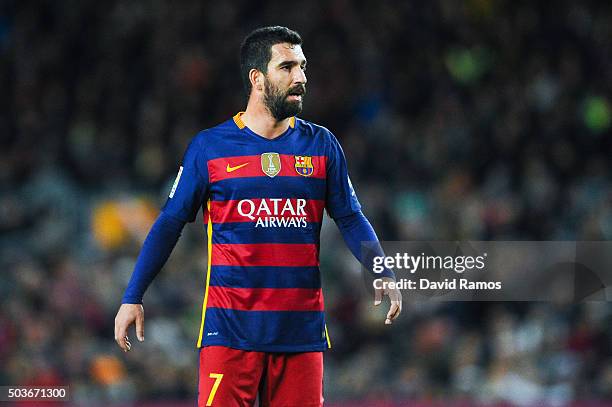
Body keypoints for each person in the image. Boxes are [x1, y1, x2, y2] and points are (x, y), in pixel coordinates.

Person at [114, 26, 401, 407]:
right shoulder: (210, 148)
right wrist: (133, 295)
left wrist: (380, 268)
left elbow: (349, 217)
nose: (300, 77)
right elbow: (169, 223)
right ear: (257, 78)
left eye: (302, 66)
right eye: (287, 67)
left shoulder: (322, 145)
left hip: (299, 334)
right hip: (229, 334)